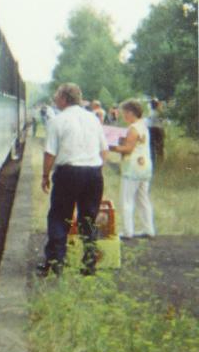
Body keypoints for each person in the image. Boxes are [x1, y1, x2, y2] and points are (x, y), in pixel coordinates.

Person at [39, 83, 109, 276]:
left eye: (56, 95)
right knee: (88, 219)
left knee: (59, 217)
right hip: (93, 173)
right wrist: (95, 168)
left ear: (64, 98)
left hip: (68, 173)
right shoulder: (93, 119)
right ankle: (89, 264)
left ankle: (56, 262)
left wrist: (45, 175)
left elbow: (50, 153)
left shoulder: (57, 121)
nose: (54, 98)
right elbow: (105, 151)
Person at [110, 99, 155, 240]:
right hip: (145, 166)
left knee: (127, 199)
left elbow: (128, 149)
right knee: (143, 199)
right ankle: (149, 229)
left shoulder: (133, 128)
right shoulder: (143, 126)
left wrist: (111, 147)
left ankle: (128, 231)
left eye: (125, 113)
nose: (124, 116)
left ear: (130, 112)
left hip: (132, 167)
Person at [146, 98, 165, 168]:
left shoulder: (151, 112)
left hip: (151, 129)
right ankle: (160, 161)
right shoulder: (159, 112)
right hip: (158, 129)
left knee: (152, 146)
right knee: (159, 146)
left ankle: (153, 162)